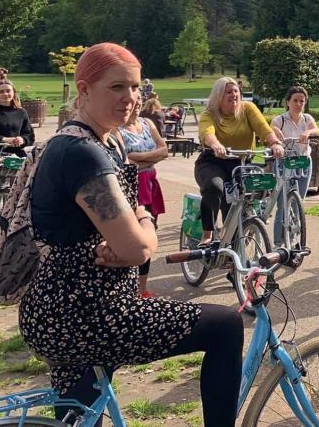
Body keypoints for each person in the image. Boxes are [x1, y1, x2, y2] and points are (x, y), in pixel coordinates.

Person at [20, 43, 242, 427]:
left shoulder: (105, 140)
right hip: (90, 311)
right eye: (117, 87)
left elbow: (131, 226)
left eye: (136, 87)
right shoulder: (82, 153)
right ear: (84, 89)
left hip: (60, 308)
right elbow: (138, 248)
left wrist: (137, 228)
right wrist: (147, 231)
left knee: (80, 416)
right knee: (226, 326)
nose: (130, 98)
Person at [196, 77, 284, 243]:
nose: (234, 94)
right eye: (228, 92)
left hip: (241, 163)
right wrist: (215, 145)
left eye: (236, 91)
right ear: (219, 95)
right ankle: (207, 233)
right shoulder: (210, 114)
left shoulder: (248, 109)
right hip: (213, 161)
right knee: (215, 188)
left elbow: (263, 128)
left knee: (243, 200)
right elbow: (207, 133)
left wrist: (274, 143)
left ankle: (238, 240)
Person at [118, 98, 168, 298]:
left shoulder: (148, 123)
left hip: (150, 184)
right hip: (131, 185)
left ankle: (141, 289)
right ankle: (127, 287)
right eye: (134, 101)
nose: (136, 103)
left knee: (150, 233)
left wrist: (140, 156)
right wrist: (152, 155)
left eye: (139, 99)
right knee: (131, 236)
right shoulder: (117, 129)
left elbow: (164, 150)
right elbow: (124, 158)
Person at [271, 86, 319, 196]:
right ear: (288, 102)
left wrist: (308, 132)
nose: (298, 104)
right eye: (295, 101)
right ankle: (282, 214)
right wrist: (275, 130)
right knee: (283, 199)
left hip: (303, 161)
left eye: (301, 101)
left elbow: (317, 130)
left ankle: (297, 213)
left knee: (300, 198)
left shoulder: (307, 118)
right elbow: (269, 131)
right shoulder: (280, 120)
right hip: (284, 162)